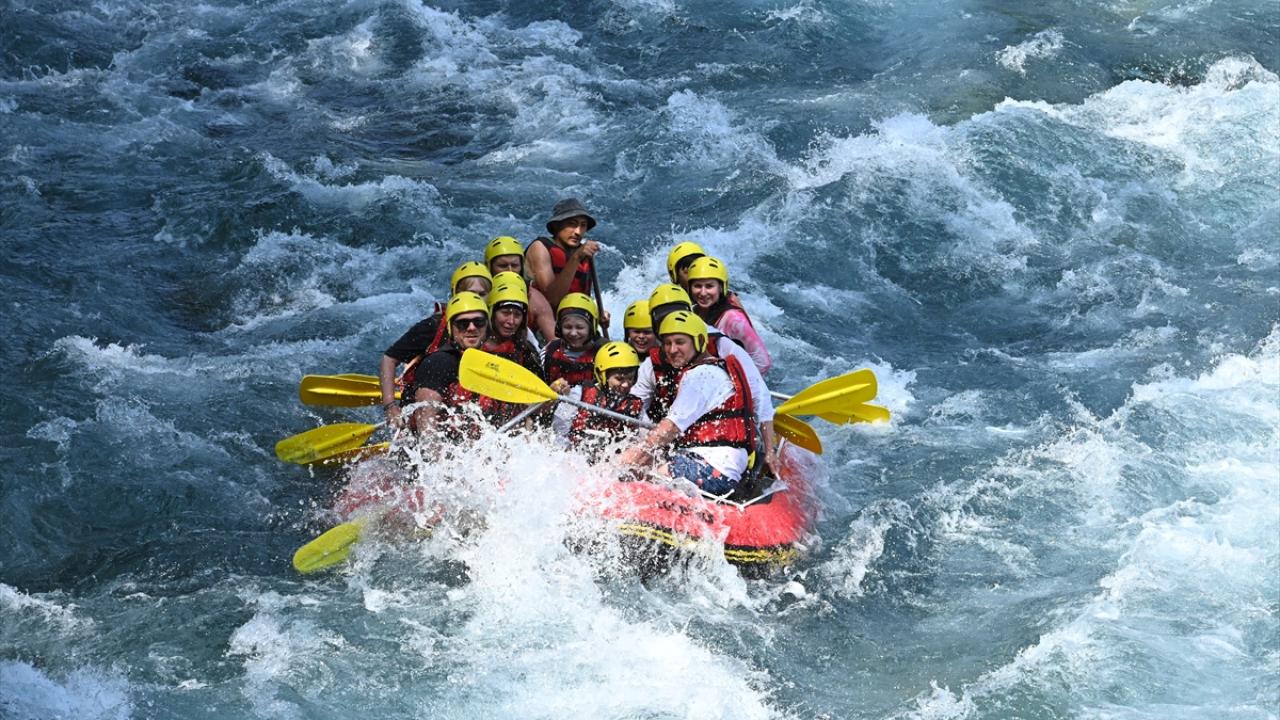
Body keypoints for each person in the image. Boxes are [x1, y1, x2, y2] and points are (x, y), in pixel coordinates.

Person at [632, 283, 779, 471]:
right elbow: (636, 404)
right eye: (664, 319)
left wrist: (769, 451)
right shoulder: (652, 363)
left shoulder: (720, 346)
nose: (673, 323)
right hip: (674, 437)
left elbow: (759, 395)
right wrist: (645, 443)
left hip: (717, 445)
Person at [618, 312, 756, 496]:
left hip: (713, 470)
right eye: (667, 343)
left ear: (698, 341)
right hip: (715, 464)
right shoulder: (709, 369)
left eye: (680, 342)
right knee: (642, 466)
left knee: (638, 476)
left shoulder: (702, 376)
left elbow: (667, 431)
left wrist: (619, 464)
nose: (672, 349)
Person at [380, 261, 493, 425]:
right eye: (468, 293)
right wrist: (390, 405)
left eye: (481, 294)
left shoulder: (495, 325)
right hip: (430, 389)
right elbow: (389, 358)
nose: (473, 299)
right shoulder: (433, 326)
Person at [401, 292, 501, 439]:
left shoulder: (493, 361)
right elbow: (428, 433)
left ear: (487, 326)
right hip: (432, 451)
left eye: (479, 322)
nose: (472, 328)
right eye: (463, 324)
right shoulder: (437, 364)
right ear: (451, 329)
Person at [686, 256, 772, 375]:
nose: (703, 292)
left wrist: (730, 378)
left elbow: (763, 362)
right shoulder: (694, 311)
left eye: (709, 286)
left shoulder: (734, 320)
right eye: (697, 286)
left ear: (721, 288)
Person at [564, 341, 645, 460]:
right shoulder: (579, 394)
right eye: (619, 378)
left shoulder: (635, 405)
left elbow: (643, 438)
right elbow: (560, 428)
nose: (626, 384)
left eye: (630, 378)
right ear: (602, 375)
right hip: (577, 457)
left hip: (612, 461)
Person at [526, 198, 602, 310]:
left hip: (571, 322)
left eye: (583, 225)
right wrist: (576, 257)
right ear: (557, 225)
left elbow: (583, 297)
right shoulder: (540, 248)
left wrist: (595, 314)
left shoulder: (585, 253)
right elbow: (551, 300)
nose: (578, 232)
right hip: (541, 320)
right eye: (572, 224)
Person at [484, 235, 556, 343]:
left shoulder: (535, 299)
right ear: (489, 267)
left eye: (514, 265)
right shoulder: (480, 294)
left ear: (521, 268)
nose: (510, 271)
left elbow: (554, 341)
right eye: (503, 266)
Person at [543, 293, 603, 391]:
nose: (573, 333)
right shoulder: (549, 351)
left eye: (580, 327)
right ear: (559, 327)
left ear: (591, 329)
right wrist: (551, 390)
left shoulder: (603, 353)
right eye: (568, 327)